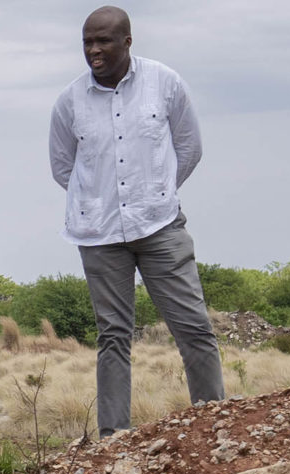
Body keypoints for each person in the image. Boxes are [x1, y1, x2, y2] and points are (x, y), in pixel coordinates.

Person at [50, 6, 225, 435]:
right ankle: (115, 438)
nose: (94, 50)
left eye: (103, 41)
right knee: (112, 336)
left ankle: (214, 421)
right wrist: (102, 200)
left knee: (194, 326)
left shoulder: (164, 83)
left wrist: (155, 195)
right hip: (100, 235)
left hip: (160, 226)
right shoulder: (69, 101)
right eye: (87, 42)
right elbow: (63, 169)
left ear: (127, 41)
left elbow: (189, 148)